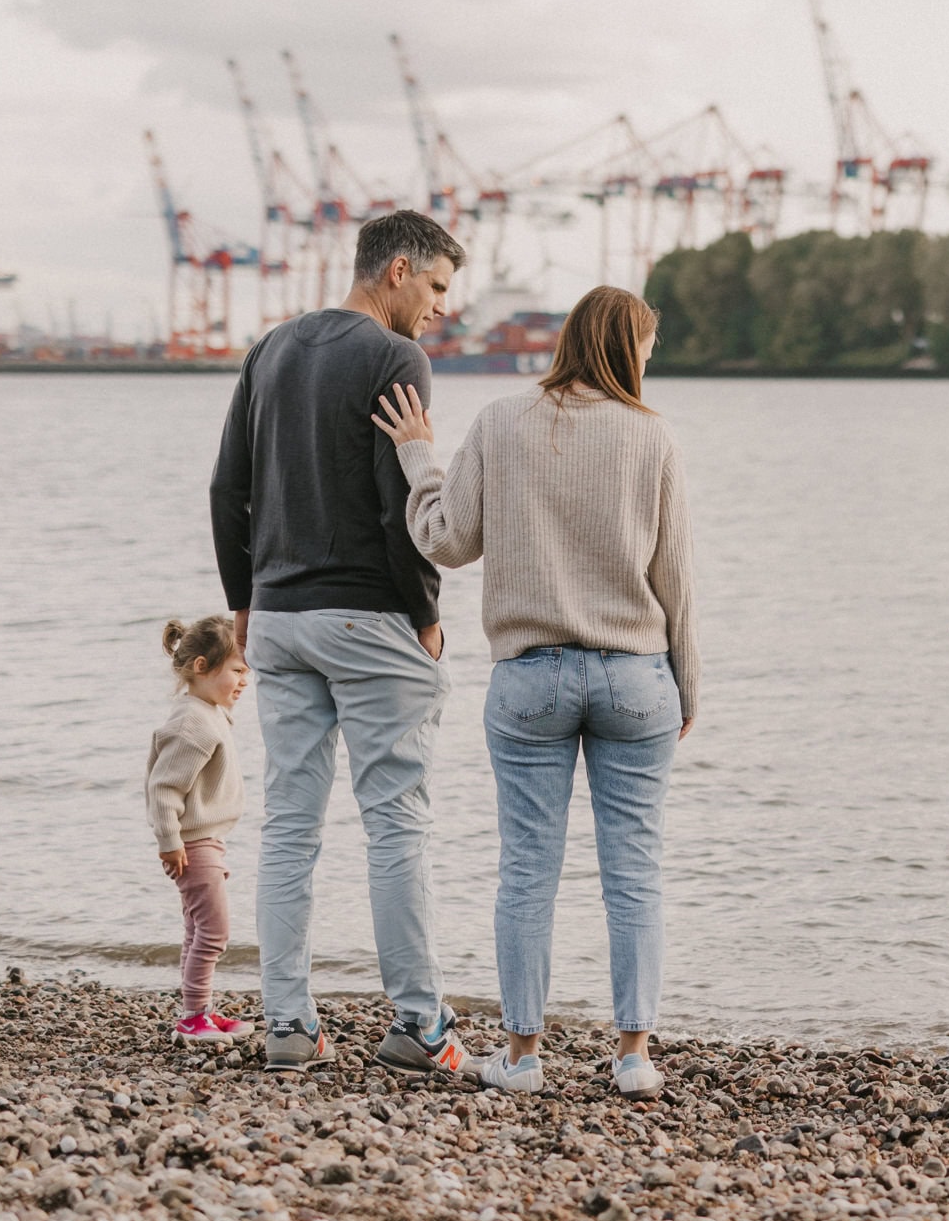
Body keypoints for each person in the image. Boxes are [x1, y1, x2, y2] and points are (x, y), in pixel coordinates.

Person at [372, 285, 698, 1101]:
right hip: (635, 676)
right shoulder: (653, 437)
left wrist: (419, 457)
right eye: (648, 346)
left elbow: (447, 540)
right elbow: (676, 579)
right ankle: (633, 1056)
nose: (650, 360)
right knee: (635, 871)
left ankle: (520, 1056)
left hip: (528, 678)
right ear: (628, 347)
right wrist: (687, 685)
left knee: (527, 870)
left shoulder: (500, 420)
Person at [210, 210, 471, 1076]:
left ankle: (286, 1025)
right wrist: (426, 608)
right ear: (397, 270)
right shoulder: (396, 358)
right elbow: (401, 495)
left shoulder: (270, 349)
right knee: (396, 817)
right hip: (366, 615)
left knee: (289, 822)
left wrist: (244, 600)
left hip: (279, 617)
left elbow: (227, 487)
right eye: (436, 288)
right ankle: (419, 1027)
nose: (439, 310)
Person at [145, 615, 255, 1047]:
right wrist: (169, 842)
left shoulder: (208, 712)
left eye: (246, 671)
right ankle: (193, 1016)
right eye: (237, 670)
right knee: (213, 931)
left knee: (198, 927)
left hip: (207, 840)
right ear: (202, 666)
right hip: (193, 843)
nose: (245, 681)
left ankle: (200, 1010)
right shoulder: (193, 723)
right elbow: (164, 787)